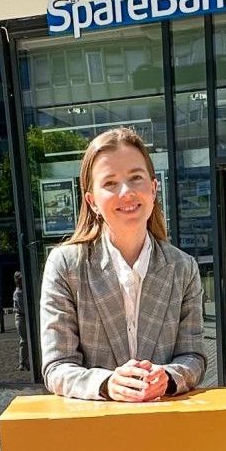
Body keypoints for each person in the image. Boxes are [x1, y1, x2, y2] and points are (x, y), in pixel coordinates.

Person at [40, 127, 206, 401]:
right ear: (92, 201)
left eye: (136, 178)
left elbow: (193, 357)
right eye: (110, 183)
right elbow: (56, 367)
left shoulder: (183, 268)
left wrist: (167, 377)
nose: (127, 192)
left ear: (153, 188)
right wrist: (107, 383)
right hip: (97, 423)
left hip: (165, 419)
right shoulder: (66, 266)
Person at [13, 271, 29, 371]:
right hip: (21, 317)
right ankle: (22, 362)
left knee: (27, 340)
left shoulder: (24, 291)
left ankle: (26, 361)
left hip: (24, 316)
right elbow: (22, 308)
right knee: (24, 340)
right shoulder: (18, 293)